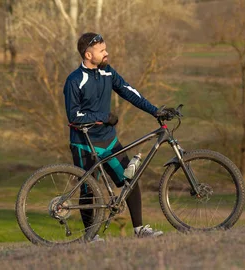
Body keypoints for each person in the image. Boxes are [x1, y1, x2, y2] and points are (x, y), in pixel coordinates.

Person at [63, 32, 166, 240]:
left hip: (109, 141)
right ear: (89, 55)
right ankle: (90, 237)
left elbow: (129, 91)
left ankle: (139, 230)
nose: (106, 53)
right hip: (85, 144)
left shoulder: (107, 73)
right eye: (102, 51)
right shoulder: (74, 81)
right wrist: (103, 116)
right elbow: (74, 116)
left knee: (131, 179)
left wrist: (155, 110)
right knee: (88, 191)